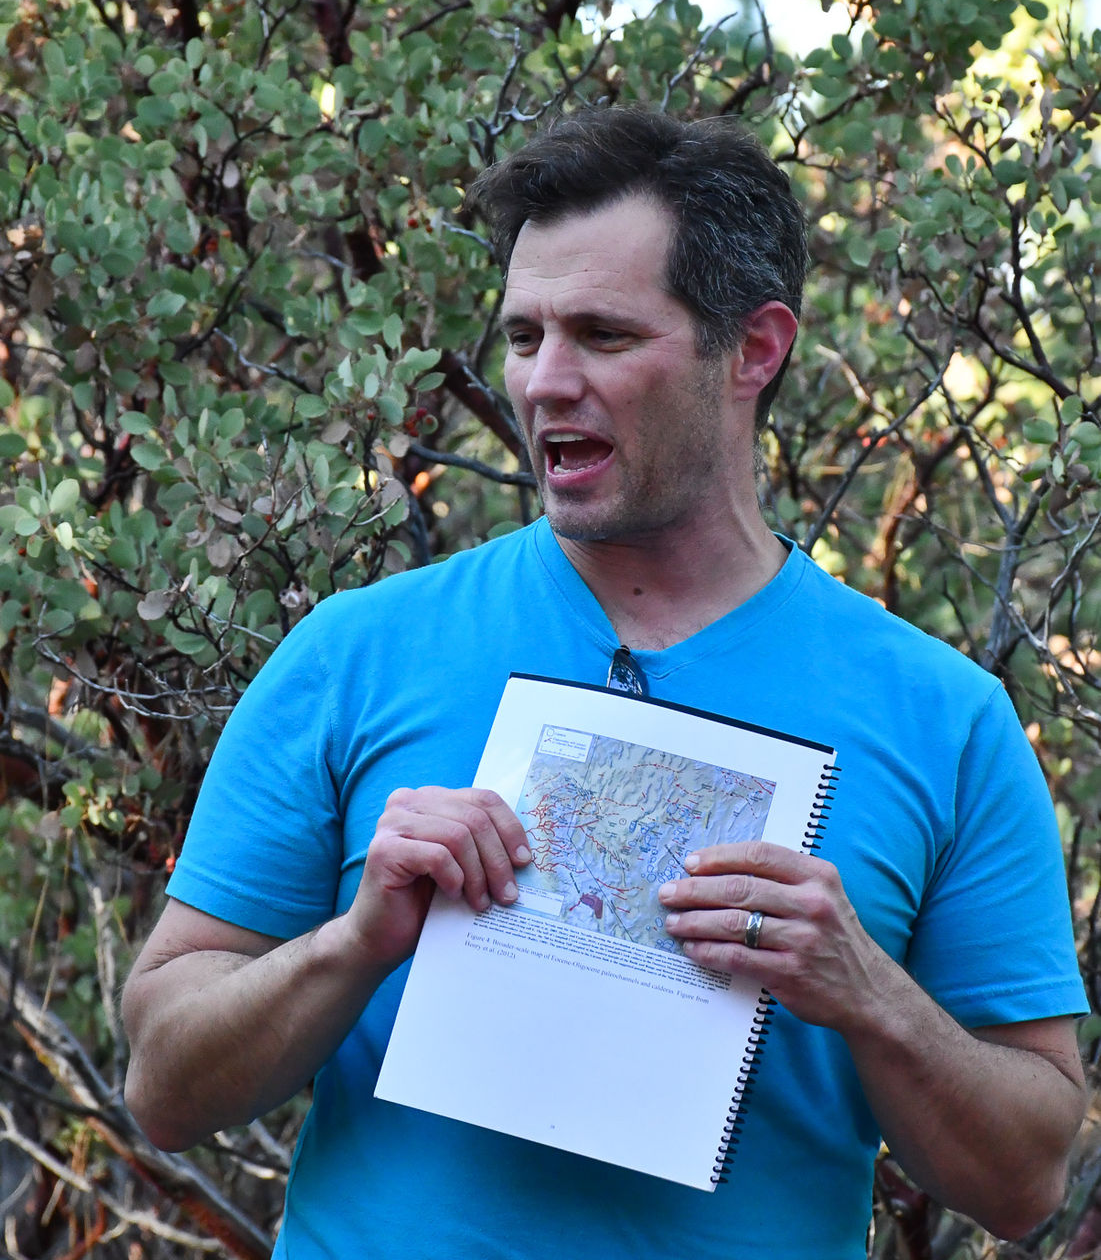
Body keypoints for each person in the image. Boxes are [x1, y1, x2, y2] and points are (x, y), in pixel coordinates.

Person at [122, 109, 1087, 1260]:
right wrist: (355, 941)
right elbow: (164, 1086)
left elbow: (1029, 1176)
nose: (545, 380)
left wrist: (869, 991)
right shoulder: (356, 652)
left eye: (603, 333)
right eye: (524, 334)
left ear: (756, 348)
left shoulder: (947, 721)